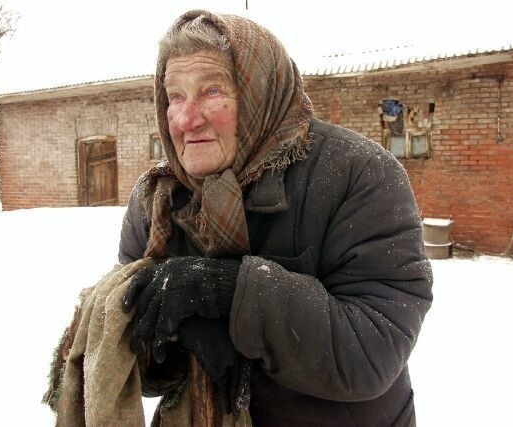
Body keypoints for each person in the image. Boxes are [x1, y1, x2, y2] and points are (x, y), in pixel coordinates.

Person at [119, 9, 432, 426]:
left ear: (259, 90)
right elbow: (137, 362)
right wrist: (171, 341)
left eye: (211, 90)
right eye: (174, 96)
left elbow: (372, 349)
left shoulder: (358, 174)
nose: (185, 118)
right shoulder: (157, 200)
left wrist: (230, 294)